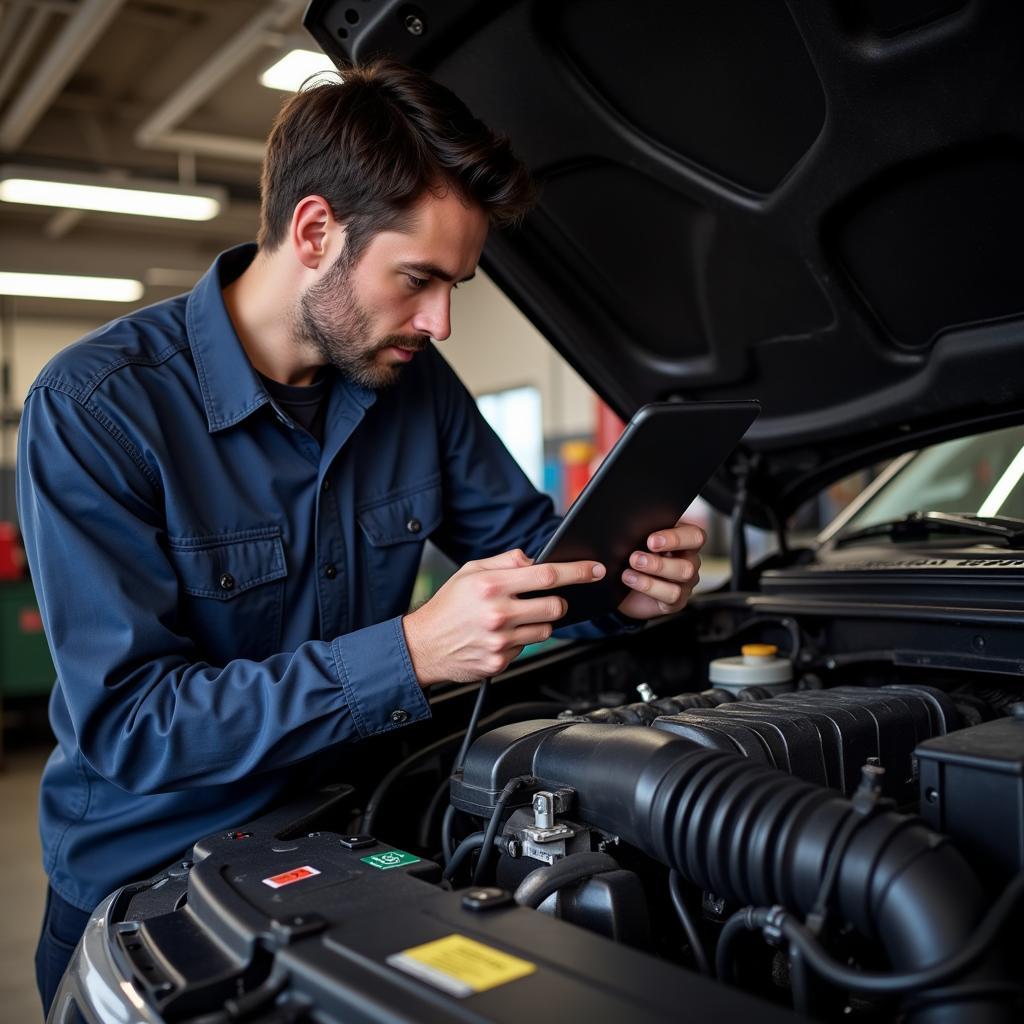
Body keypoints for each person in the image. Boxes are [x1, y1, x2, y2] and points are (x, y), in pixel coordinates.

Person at [18, 59, 705, 1013]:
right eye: (418, 279)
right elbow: (134, 726)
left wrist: (620, 587)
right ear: (314, 232)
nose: (442, 322)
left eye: (456, 284)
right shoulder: (99, 408)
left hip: (360, 840)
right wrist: (413, 651)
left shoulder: (411, 385)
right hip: (154, 892)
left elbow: (534, 560)